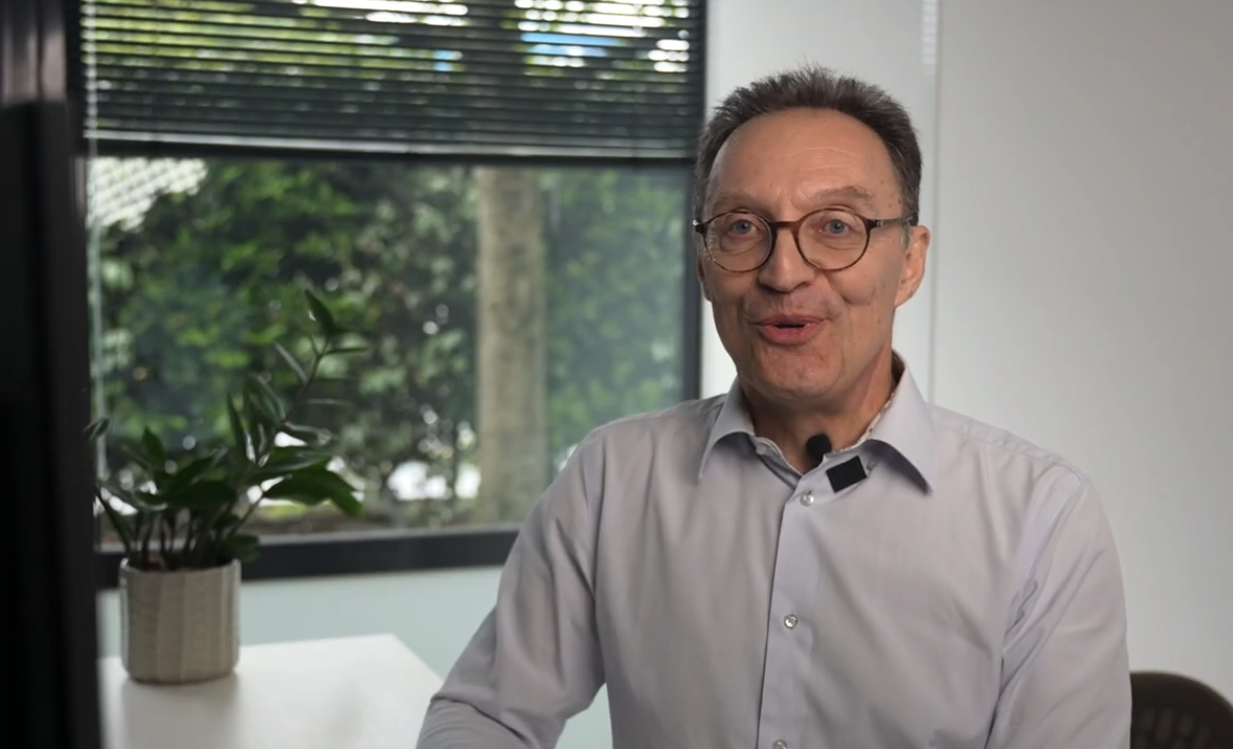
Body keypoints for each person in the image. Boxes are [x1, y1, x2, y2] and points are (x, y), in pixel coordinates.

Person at [416, 65, 1130, 749]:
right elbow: (486, 714)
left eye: (836, 226)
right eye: (741, 227)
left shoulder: (1041, 518)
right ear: (704, 265)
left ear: (909, 261)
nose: (784, 273)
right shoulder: (613, 477)